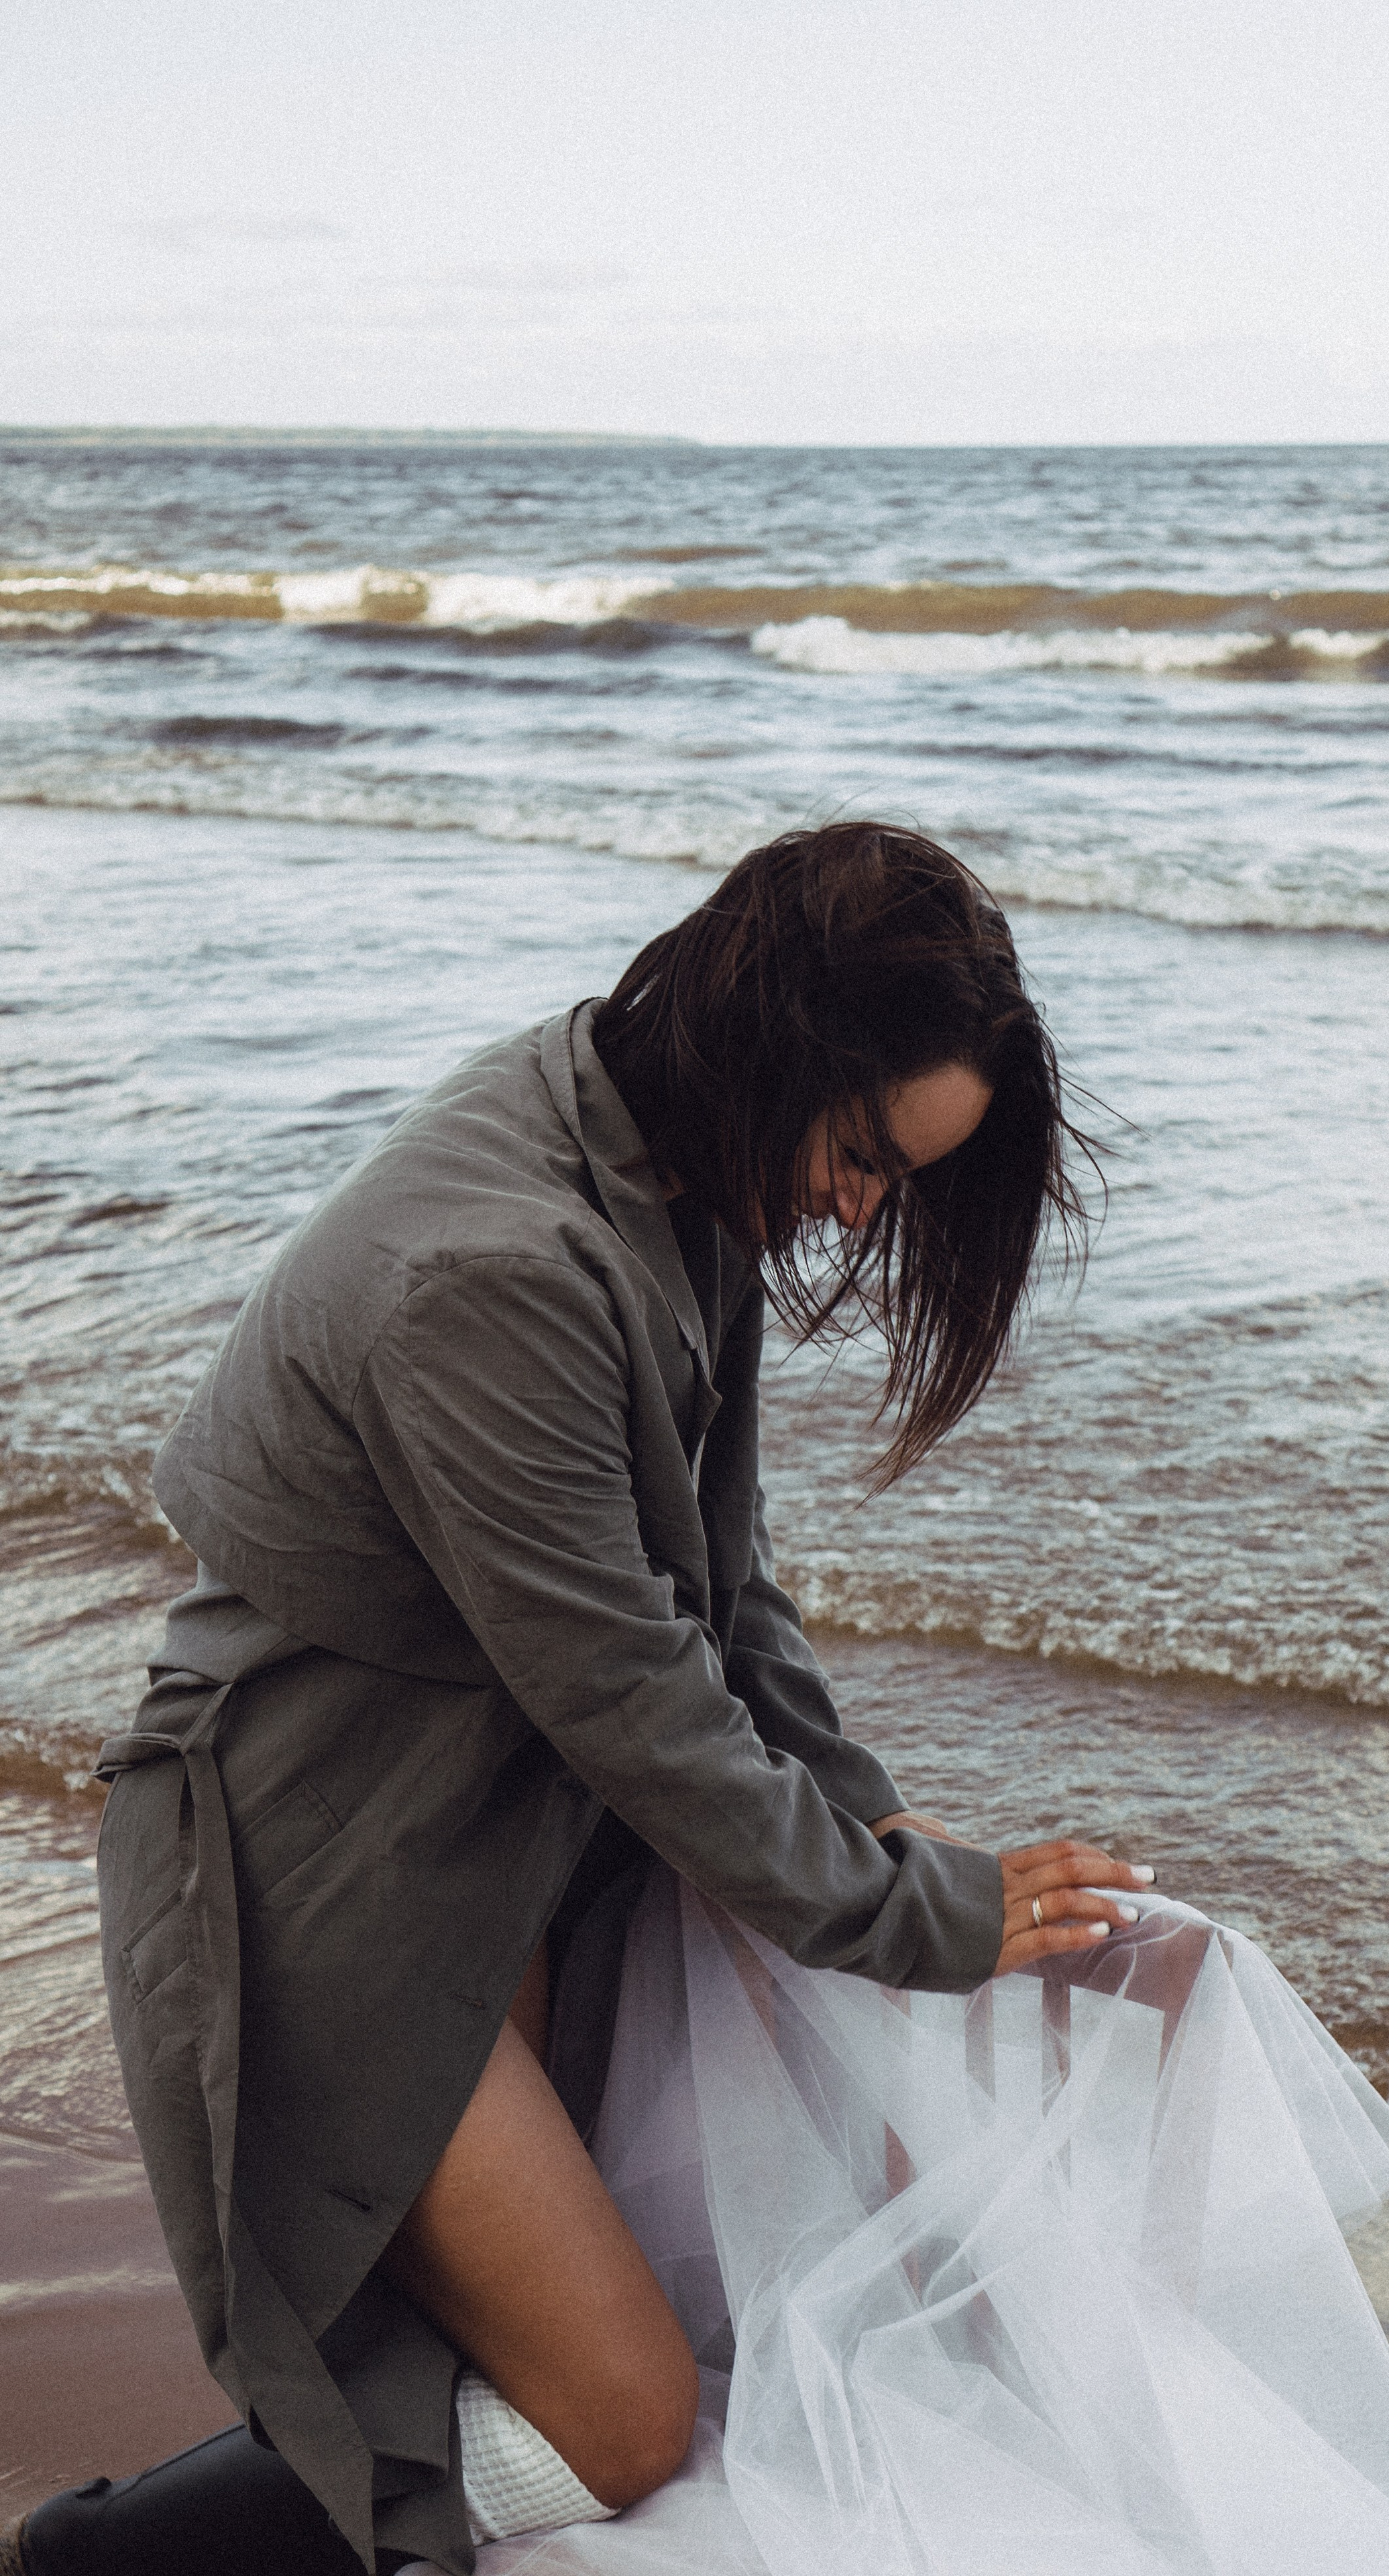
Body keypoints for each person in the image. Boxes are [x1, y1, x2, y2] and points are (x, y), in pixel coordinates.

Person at [7, 823, 1154, 2576]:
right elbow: (632, 1694)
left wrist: (869, 1814)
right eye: (861, 1153)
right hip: (321, 1858)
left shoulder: (675, 1170)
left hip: (501, 1826)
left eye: (896, 1179)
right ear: (771, 1042)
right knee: (618, 2419)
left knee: (534, 2353)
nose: (863, 1207)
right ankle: (92, 2563)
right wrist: (914, 1917)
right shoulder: (499, 1270)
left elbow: (725, 1590)